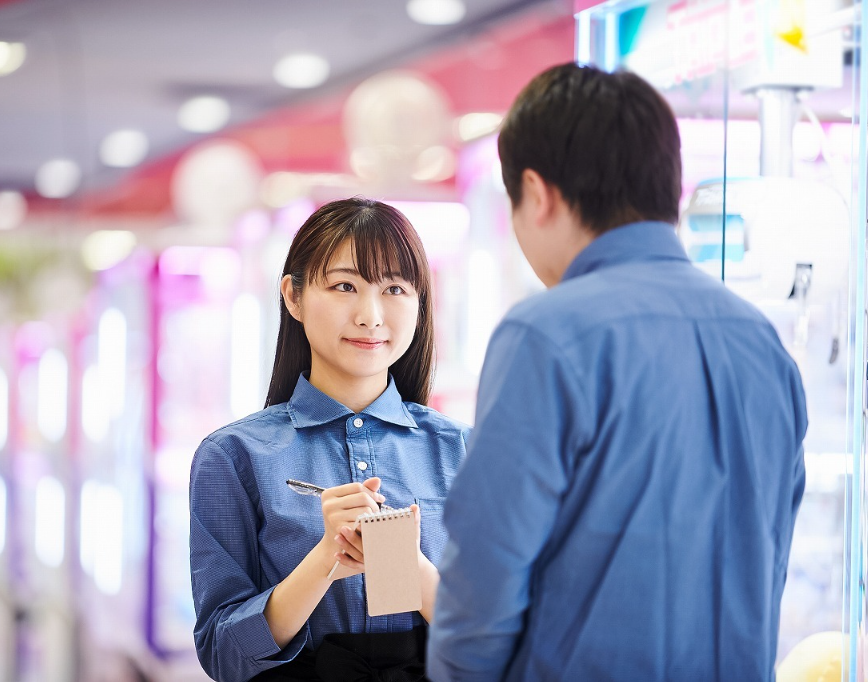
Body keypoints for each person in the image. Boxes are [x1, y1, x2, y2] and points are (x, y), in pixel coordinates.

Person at [426, 63, 808, 681]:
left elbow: (484, 582)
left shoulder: (546, 334)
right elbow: (771, 557)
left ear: (538, 192)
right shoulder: (762, 341)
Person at [189, 197, 469, 682]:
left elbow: (502, 645)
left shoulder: (462, 450)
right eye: (344, 286)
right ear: (293, 297)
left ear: (422, 304)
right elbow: (224, 656)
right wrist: (325, 559)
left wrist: (406, 566)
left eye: (395, 289)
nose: (370, 315)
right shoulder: (233, 457)